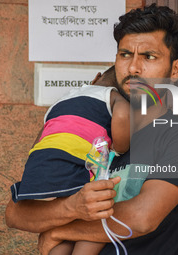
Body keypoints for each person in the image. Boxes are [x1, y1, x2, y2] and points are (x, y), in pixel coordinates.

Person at [5, 4, 178, 255]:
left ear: (175, 69)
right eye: (125, 54)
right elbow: (16, 213)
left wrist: (58, 230)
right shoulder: (86, 130)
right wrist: (73, 207)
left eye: (149, 57)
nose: (134, 68)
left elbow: (141, 216)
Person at [10, 66, 130, 254]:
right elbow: (123, 116)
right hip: (75, 164)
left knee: (63, 223)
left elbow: (43, 134)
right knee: (92, 220)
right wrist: (121, 147)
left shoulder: (61, 101)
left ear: (96, 77)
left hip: (42, 163)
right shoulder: (113, 96)